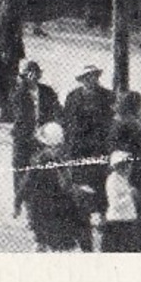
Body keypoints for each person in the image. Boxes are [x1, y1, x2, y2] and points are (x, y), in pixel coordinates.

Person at [21, 122, 91, 252]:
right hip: (50, 212)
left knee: (42, 242)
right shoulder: (48, 163)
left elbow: (26, 185)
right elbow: (63, 187)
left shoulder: (45, 161)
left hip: (41, 211)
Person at [61, 63, 116, 216]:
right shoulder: (73, 96)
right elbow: (66, 121)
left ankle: (101, 213)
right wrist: (67, 144)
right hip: (77, 146)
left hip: (98, 146)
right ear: (82, 79)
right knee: (78, 180)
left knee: (99, 180)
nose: (91, 80)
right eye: (87, 77)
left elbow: (110, 121)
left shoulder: (107, 96)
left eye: (94, 77)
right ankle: (79, 212)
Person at [9, 60, 61, 216]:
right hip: (23, 138)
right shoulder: (19, 93)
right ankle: (19, 204)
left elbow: (57, 109)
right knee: (20, 170)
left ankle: (34, 210)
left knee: (38, 172)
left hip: (43, 138)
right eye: (28, 74)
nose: (32, 77)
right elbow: (19, 113)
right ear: (24, 77)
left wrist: (54, 125)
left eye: (35, 73)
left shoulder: (47, 91)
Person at [100, 149, 140, 252]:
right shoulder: (113, 180)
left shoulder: (124, 180)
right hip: (117, 222)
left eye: (129, 164)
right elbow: (115, 202)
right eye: (124, 164)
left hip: (128, 220)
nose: (128, 167)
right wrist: (130, 194)